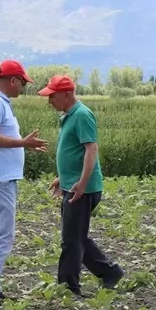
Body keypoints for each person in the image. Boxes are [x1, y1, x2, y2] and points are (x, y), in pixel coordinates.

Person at [0, 60, 47, 310]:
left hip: (0, 180)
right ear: (12, 80)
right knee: (2, 235)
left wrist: (23, 145)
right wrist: (23, 144)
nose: (23, 88)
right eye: (23, 83)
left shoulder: (0, 104)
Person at [38, 74, 124, 296]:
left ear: (67, 94)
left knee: (71, 240)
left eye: (52, 96)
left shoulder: (83, 115)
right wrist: (63, 177)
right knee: (76, 235)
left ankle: (68, 288)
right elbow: (74, 151)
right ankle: (109, 272)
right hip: (73, 185)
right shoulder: (68, 115)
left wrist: (82, 184)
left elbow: (91, 149)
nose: (49, 101)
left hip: (83, 190)